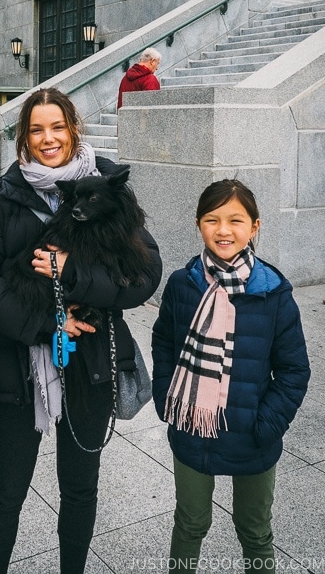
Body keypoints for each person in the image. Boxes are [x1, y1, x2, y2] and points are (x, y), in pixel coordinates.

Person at [0, 87, 162, 574]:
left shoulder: (109, 188)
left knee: (80, 484)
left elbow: (143, 276)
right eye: (36, 130)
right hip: (17, 362)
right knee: (7, 489)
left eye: (57, 127)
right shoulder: (3, 202)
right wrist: (48, 325)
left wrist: (71, 271)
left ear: (73, 128)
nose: (48, 139)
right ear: (24, 139)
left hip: (89, 360)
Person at [151, 179, 310, 570]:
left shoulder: (274, 293)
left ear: (255, 227)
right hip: (192, 428)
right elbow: (164, 343)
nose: (224, 230)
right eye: (212, 220)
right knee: (189, 523)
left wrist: (266, 424)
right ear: (198, 224)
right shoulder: (181, 284)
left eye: (236, 220)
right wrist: (167, 399)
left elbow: (294, 370)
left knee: (255, 531)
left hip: (253, 435)